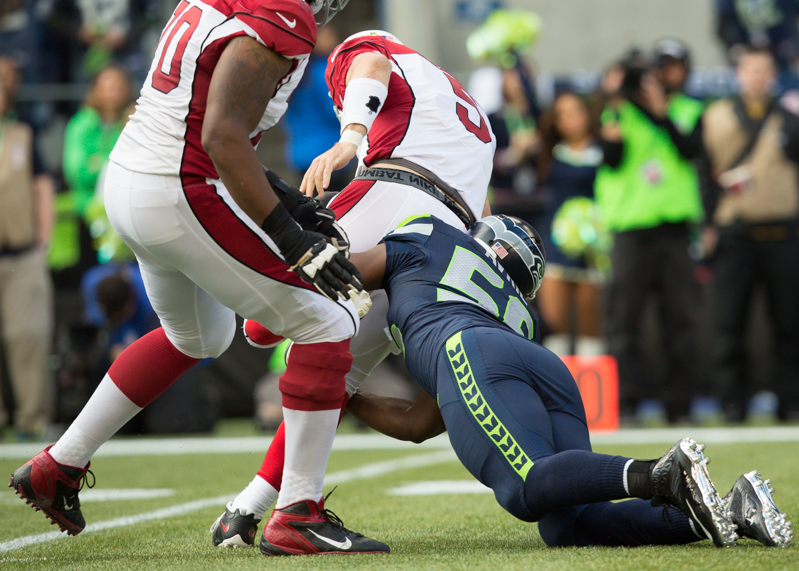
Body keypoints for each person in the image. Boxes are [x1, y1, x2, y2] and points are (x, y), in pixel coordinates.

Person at [9, 0, 385, 558]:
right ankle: (297, 514)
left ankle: (59, 464)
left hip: (133, 176)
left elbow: (197, 115)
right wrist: (291, 238)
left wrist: (284, 198)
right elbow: (221, 137)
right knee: (330, 320)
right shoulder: (279, 12)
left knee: (199, 336)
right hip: (179, 186)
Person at [233, 213, 795, 549]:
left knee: (526, 488)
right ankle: (729, 509)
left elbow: (347, 274)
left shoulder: (429, 236)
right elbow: (419, 421)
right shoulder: (520, 311)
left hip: (468, 346)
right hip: (541, 364)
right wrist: (344, 395)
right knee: (570, 524)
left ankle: (660, 473)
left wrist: (290, 327)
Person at [211, 29, 496, 552]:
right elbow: (482, 214)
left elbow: (371, 63)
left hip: (394, 194)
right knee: (334, 376)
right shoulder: (470, 113)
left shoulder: (373, 48)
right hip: (441, 243)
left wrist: (350, 138)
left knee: (264, 329)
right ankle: (251, 507)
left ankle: (283, 511)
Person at [595, 40, 705, 423]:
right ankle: (627, 402)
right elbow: (610, 159)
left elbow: (690, 150)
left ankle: (680, 405)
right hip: (631, 227)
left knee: (681, 320)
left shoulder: (689, 110)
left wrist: (661, 113)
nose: (666, 73)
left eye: (674, 66)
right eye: (660, 66)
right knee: (625, 319)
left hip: (674, 228)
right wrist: (613, 97)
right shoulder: (619, 110)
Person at [701, 46, 799, 422]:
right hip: (734, 233)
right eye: (750, 69)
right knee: (729, 322)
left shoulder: (789, 118)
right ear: (738, 74)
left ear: (773, 75)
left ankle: (790, 401)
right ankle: (732, 402)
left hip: (782, 231)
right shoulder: (715, 116)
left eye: (764, 69)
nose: (757, 76)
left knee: (789, 321)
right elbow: (703, 172)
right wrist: (708, 223)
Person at [0, 68, 55, 440]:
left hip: (22, 254)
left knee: (27, 337)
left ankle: (31, 419)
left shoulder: (23, 134)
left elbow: (43, 188)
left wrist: (42, 241)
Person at [535, 92, 605, 353]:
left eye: (576, 111)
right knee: (554, 325)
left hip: (594, 247)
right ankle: (557, 376)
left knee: (591, 326)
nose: (571, 120)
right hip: (555, 244)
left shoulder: (605, 151)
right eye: (562, 115)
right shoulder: (548, 152)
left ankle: (592, 377)